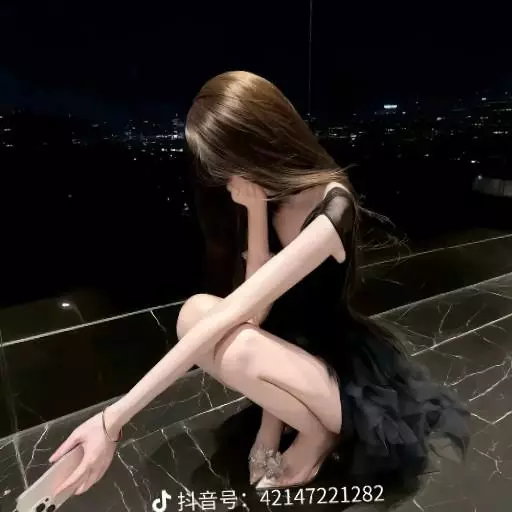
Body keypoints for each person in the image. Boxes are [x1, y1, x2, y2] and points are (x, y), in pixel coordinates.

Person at [49, 71, 470, 496]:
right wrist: (254, 212)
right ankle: (299, 421)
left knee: (237, 343)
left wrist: (114, 419)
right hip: (283, 354)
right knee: (193, 312)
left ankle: (319, 433)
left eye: (225, 159)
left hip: (338, 373)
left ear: (256, 142)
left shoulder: (333, 204)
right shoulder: (269, 196)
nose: (223, 174)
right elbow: (259, 315)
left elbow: (240, 314)